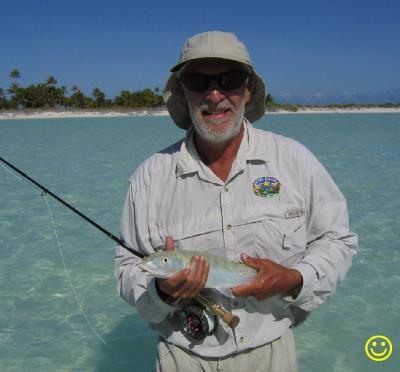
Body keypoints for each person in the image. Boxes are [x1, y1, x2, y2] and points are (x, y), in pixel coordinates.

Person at [115, 31, 357, 372]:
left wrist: (294, 278)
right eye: (198, 80)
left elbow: (338, 240)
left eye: (229, 79)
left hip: (272, 351)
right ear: (183, 92)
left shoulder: (294, 160)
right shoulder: (149, 178)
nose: (215, 95)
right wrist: (164, 292)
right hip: (182, 356)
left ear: (248, 90)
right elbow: (128, 269)